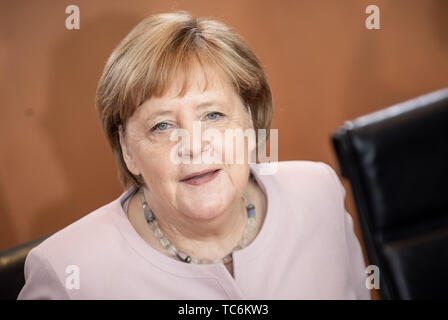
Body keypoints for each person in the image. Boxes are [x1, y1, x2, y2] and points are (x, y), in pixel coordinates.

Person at [18, 11, 370, 299]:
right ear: (128, 150)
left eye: (212, 115)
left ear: (250, 120)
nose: (194, 145)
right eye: (161, 126)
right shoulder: (67, 271)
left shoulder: (318, 192)